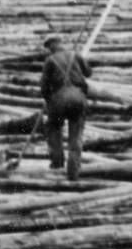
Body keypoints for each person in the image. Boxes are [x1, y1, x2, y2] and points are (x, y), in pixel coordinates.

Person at [39, 34, 92, 180]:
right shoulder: (75, 55)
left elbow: (44, 88)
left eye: (49, 48)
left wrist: (50, 101)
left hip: (59, 98)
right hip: (78, 97)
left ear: (51, 46)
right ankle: (73, 171)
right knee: (76, 133)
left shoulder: (50, 61)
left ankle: (57, 165)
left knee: (53, 128)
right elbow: (89, 73)